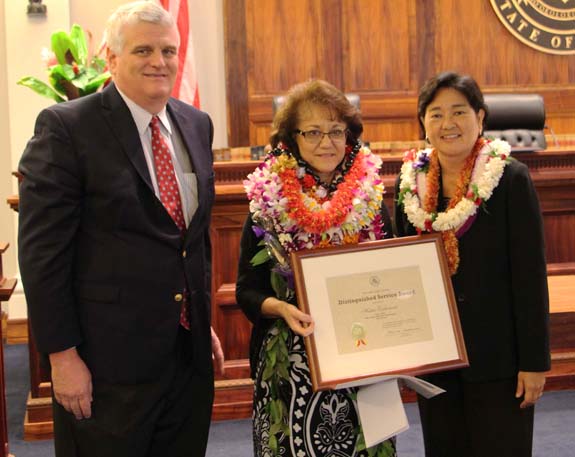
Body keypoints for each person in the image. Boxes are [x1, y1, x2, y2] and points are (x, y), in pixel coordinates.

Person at [18, 2, 223, 456]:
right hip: (106, 365)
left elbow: (192, 241)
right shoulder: (67, 128)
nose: (160, 61)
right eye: (143, 50)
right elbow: (42, 257)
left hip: (186, 358)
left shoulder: (195, 124)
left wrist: (201, 320)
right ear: (111, 59)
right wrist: (62, 356)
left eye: (169, 50)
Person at [236, 79, 397, 457]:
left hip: (364, 358)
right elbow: (247, 290)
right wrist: (281, 308)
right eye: (313, 132)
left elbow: (393, 276)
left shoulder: (372, 202)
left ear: (349, 136)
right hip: (291, 364)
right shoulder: (267, 205)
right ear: (291, 139)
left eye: (336, 131)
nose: (326, 143)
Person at [394, 71, 550, 457]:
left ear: (480, 118)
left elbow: (530, 278)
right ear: (423, 124)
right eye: (435, 114)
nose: (448, 124)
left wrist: (535, 363)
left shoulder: (511, 180)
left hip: (500, 362)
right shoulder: (408, 187)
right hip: (437, 362)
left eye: (459, 112)